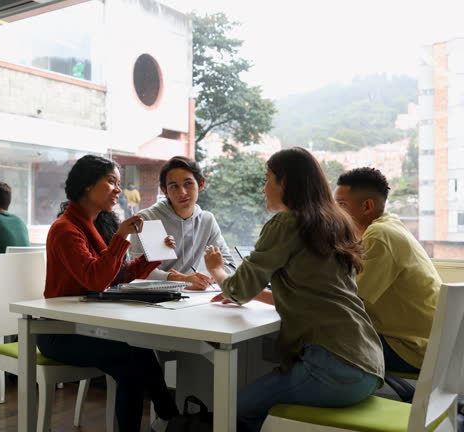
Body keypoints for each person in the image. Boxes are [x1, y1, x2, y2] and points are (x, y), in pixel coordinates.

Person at [204, 147, 384, 432]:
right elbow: (313, 293)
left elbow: (238, 288)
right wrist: (251, 294)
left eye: (267, 179)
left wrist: (215, 269)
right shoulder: (336, 223)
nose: (263, 189)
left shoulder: (286, 222)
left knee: (232, 407)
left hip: (332, 368)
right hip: (367, 363)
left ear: (284, 182)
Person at [37, 155, 181, 432]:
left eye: (119, 183)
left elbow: (118, 275)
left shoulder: (96, 224)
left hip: (86, 326)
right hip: (59, 332)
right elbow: (94, 280)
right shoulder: (65, 229)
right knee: (131, 363)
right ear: (88, 186)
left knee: (140, 349)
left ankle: (170, 418)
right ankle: (170, 418)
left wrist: (154, 254)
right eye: (111, 182)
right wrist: (120, 239)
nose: (118, 189)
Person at [335, 167, 440, 374]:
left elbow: (349, 301)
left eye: (341, 204)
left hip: (411, 349)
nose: (334, 211)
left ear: (367, 206)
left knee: (319, 344)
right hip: (429, 345)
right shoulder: (390, 224)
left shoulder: (380, 235)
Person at [129, 156, 235, 290]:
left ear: (201, 184)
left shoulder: (207, 220)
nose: (182, 192)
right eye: (174, 186)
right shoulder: (147, 219)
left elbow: (229, 265)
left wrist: (201, 279)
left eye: (188, 184)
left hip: (192, 297)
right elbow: (135, 271)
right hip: (155, 296)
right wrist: (178, 279)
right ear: (165, 191)